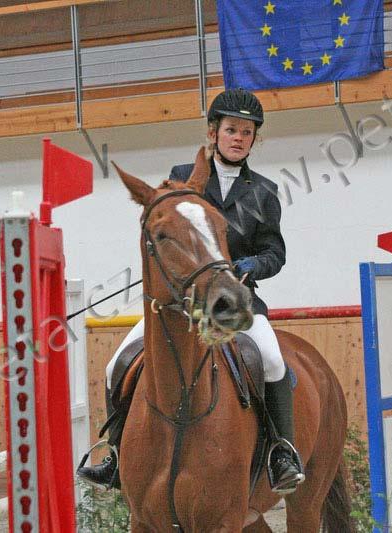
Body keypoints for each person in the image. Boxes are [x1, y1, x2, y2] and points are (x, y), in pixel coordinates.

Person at [78, 88, 305, 494]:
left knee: (272, 361)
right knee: (116, 364)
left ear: (254, 139)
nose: (239, 138)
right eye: (232, 130)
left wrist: (251, 265)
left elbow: (275, 252)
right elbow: (165, 227)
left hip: (235, 300)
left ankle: (280, 452)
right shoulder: (184, 176)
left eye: (247, 133)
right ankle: (116, 455)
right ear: (213, 132)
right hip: (181, 302)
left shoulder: (264, 191)